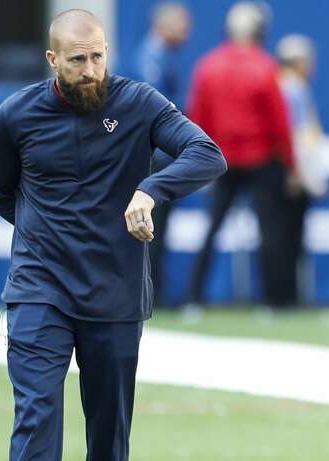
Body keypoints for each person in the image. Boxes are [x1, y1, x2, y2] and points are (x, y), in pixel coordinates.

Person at [0, 9, 225, 461]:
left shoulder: (139, 102)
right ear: (52, 61)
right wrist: (49, 237)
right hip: (39, 289)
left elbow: (207, 154)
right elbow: (1, 192)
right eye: (77, 60)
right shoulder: (16, 115)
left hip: (115, 294)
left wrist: (151, 187)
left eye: (98, 56)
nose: (91, 70)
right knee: (37, 413)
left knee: (109, 428)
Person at [185, 1, 297, 310]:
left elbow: (197, 119)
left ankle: (194, 296)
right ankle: (272, 300)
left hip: (221, 161)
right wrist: (289, 162)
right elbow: (279, 123)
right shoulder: (265, 67)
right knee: (268, 231)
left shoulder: (208, 66)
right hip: (260, 159)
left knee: (212, 228)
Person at [130, 1, 192, 305]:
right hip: (156, 158)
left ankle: (155, 290)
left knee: (160, 227)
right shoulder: (151, 55)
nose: (186, 31)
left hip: (163, 157)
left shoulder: (162, 55)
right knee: (152, 226)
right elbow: (157, 109)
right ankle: (149, 292)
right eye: (181, 24)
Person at [277, 34, 329, 305]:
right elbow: (299, 137)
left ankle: (286, 294)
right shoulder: (292, 89)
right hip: (295, 173)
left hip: (291, 170)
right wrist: (303, 174)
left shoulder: (287, 86)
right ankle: (287, 296)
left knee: (287, 235)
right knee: (289, 236)